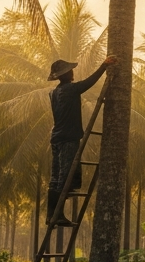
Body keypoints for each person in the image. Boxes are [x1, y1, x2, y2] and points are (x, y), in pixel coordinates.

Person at [47, 55, 117, 225]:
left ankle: (51, 215)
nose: (72, 72)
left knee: (56, 177)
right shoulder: (70, 90)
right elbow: (88, 82)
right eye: (70, 71)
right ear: (65, 75)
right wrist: (103, 66)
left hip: (56, 137)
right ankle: (57, 215)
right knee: (64, 177)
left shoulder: (53, 93)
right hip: (68, 138)